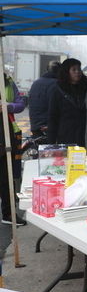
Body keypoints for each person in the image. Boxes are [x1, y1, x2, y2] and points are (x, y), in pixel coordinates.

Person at [47, 58, 87, 146]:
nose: (78, 72)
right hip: (66, 136)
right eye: (74, 69)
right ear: (66, 71)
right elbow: (53, 117)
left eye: (79, 69)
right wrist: (51, 143)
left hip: (85, 134)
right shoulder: (57, 89)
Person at [1, 73, 27, 225]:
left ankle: (8, 213)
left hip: (6, 133)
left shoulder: (8, 81)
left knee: (6, 176)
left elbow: (20, 104)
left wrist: (7, 106)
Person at [28, 60, 59, 138]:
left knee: (39, 148)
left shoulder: (35, 83)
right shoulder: (56, 84)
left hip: (35, 126)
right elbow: (55, 108)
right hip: (48, 127)